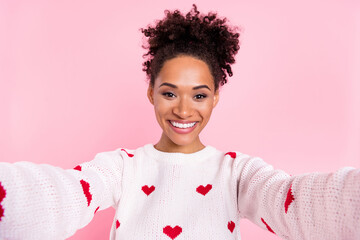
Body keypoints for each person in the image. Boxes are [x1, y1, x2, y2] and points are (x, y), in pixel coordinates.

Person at [0, 4, 359, 240]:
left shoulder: (237, 172)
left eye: (199, 95)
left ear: (216, 97)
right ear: (151, 93)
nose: (184, 111)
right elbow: (68, 193)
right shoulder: (123, 167)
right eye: (170, 93)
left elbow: (292, 202)